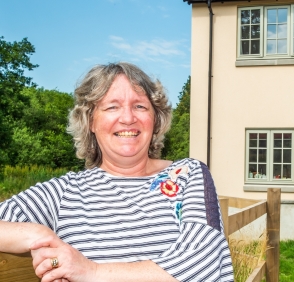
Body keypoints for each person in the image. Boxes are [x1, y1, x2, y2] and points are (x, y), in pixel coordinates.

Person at [0, 62, 234, 282]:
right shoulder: (63, 193)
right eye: (112, 107)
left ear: (155, 119)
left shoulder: (187, 174)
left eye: (140, 106)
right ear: (90, 122)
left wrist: (91, 272)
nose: (128, 118)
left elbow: (204, 260)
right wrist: (36, 234)